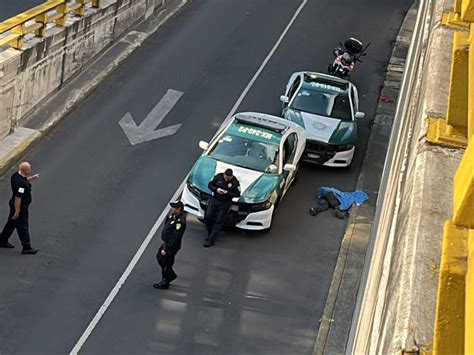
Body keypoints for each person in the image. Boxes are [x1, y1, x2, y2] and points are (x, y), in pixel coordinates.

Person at [0, 162, 39, 254]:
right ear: (26, 170)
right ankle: (26, 246)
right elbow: (18, 198)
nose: (30, 170)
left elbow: (23, 180)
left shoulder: (15, 176)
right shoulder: (20, 185)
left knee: (11, 223)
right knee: (23, 226)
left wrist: (32, 178)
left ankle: (2, 240)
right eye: (29, 169)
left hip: (14, 204)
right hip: (20, 207)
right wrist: (17, 212)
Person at [203, 168, 240, 247]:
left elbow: (237, 194)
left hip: (225, 203)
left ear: (231, 176)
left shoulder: (235, 182)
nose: (226, 179)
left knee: (219, 220)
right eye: (225, 177)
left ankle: (211, 239)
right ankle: (210, 233)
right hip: (215, 200)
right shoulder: (219, 177)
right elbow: (210, 185)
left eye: (228, 178)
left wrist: (228, 193)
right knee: (208, 216)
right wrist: (216, 190)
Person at [154, 201, 186, 290]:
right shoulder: (173, 216)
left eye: (174, 208)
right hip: (166, 243)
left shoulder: (180, 222)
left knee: (166, 263)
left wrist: (166, 248)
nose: (171, 209)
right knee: (160, 258)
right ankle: (170, 275)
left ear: (179, 209)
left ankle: (165, 281)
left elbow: (175, 238)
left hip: (170, 246)